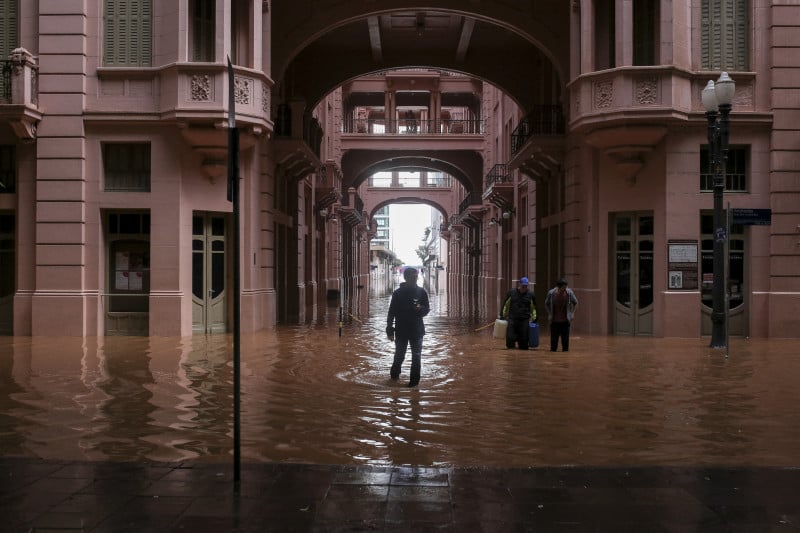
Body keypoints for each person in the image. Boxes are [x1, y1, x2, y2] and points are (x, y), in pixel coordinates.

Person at [386, 267, 430, 387]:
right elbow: (391, 312)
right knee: (399, 355)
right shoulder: (398, 293)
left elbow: (427, 309)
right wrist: (389, 329)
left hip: (417, 331)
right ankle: (394, 377)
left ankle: (414, 384)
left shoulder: (422, 292)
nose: (415, 279)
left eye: (416, 276)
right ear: (406, 278)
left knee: (416, 356)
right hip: (401, 330)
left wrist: (421, 309)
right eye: (413, 277)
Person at [499, 277, 537, 350]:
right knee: (510, 340)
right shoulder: (512, 293)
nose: (524, 287)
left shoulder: (530, 295)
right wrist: (502, 315)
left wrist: (535, 318)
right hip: (512, 319)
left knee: (523, 344)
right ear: (519, 284)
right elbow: (505, 305)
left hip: (524, 320)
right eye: (523, 286)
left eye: (526, 286)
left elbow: (533, 308)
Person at [545, 277, 579, 352]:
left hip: (565, 321)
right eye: (563, 287)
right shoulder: (551, 293)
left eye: (566, 287)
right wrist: (549, 314)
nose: (565, 288)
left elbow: (576, 303)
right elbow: (546, 304)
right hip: (554, 321)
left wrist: (572, 313)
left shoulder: (569, 293)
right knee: (553, 345)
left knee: (565, 344)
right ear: (559, 287)